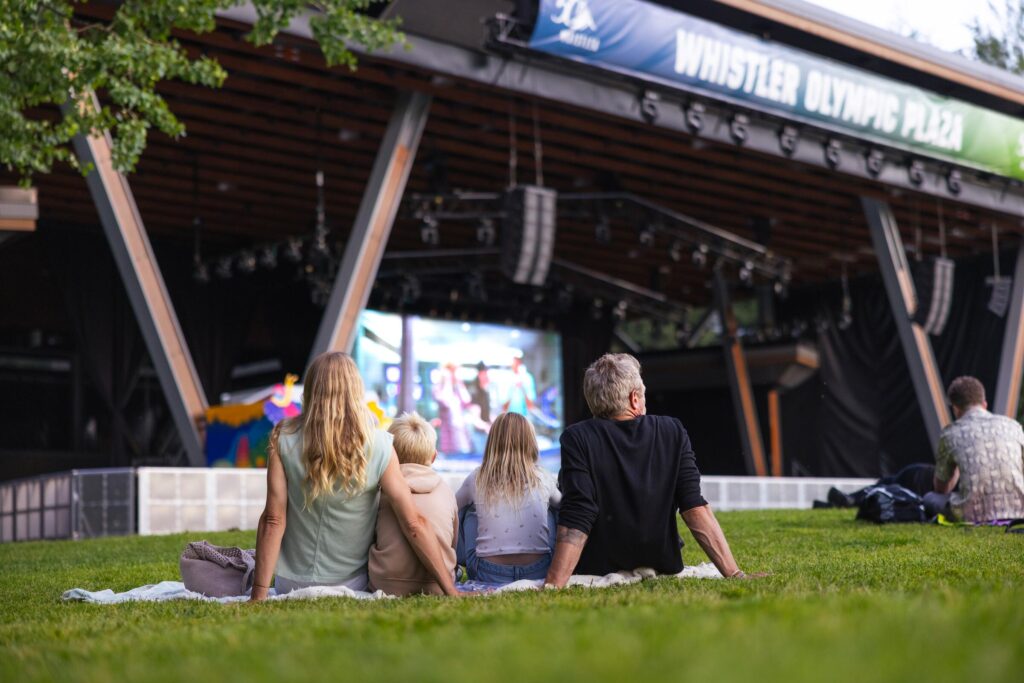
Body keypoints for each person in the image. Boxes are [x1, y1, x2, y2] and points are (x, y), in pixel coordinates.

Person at [249, 352, 459, 601]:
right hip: (352, 584)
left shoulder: (283, 437)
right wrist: (452, 591)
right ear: (356, 391)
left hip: (290, 583)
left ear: (312, 388)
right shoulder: (380, 444)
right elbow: (413, 524)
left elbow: (273, 520)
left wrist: (258, 595)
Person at [545, 353, 752, 587]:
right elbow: (694, 505)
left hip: (598, 565)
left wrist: (553, 585)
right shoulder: (672, 430)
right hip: (662, 561)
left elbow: (578, 512)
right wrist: (734, 573)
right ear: (635, 398)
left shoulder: (577, 437)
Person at [456, 412, 561, 583]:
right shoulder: (543, 477)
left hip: (488, 572)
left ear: (492, 442)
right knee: (551, 509)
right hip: (539, 569)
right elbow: (565, 506)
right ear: (530, 442)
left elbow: (451, 507)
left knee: (468, 511)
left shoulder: (477, 478)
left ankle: (456, 564)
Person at [368, 413, 458, 596]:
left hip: (386, 585)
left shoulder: (380, 491)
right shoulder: (445, 490)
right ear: (433, 457)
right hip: (437, 585)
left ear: (389, 453)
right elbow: (452, 541)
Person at [926, 376, 1024, 523]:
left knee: (930, 498)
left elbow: (942, 488)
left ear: (956, 409)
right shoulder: (1013, 426)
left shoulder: (950, 434)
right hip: (1020, 511)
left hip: (974, 515)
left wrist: (958, 469)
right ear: (984, 403)